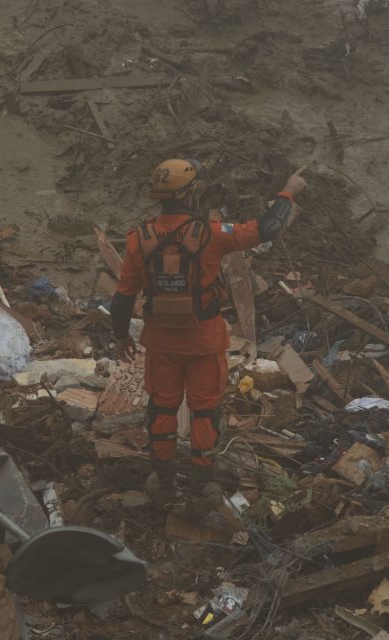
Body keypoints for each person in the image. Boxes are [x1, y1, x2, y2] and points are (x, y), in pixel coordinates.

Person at [110, 158, 308, 504]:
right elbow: (268, 228)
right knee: (204, 412)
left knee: (162, 409)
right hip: (203, 343)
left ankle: (164, 480)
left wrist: (121, 337)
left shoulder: (138, 239)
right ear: (191, 194)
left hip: (161, 343)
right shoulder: (212, 236)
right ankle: (202, 485)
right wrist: (288, 192)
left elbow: (123, 296)